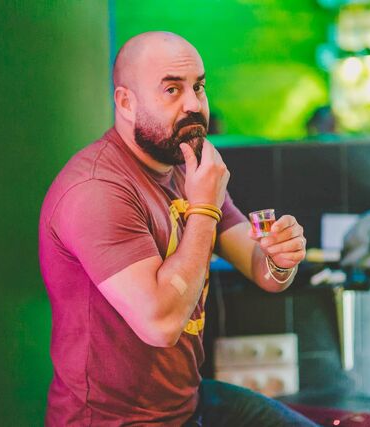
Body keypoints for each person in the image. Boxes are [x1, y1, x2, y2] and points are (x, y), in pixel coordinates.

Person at [38, 31, 315, 427]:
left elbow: (263, 271)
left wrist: (281, 257)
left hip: (186, 403)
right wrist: (204, 207)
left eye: (198, 87)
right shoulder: (98, 189)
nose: (194, 105)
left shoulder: (186, 169)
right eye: (172, 89)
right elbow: (161, 325)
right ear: (126, 102)